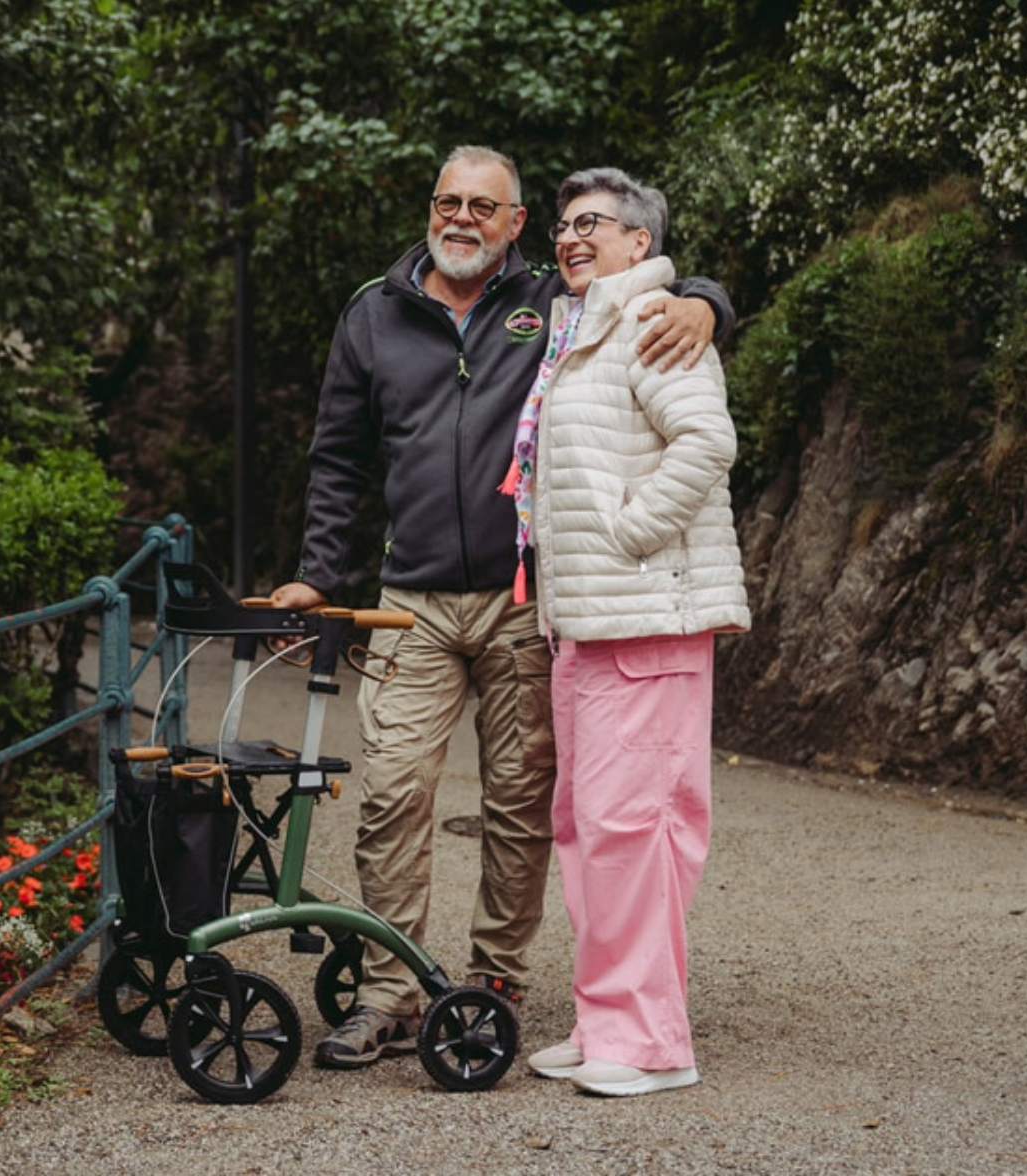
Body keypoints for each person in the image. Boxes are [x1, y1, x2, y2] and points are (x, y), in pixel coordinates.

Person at [268, 145, 733, 1070]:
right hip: (411, 602)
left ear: (516, 223)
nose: (463, 219)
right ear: (429, 209)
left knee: (520, 804)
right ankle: (391, 991)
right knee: (392, 794)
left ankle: (493, 984)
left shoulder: (553, 304)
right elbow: (339, 456)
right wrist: (319, 572)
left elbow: (639, 283)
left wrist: (707, 302)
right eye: (449, 201)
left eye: (485, 206)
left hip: (523, 599)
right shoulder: (372, 313)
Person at [509, 167, 750, 1096]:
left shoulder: (654, 319)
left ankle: (651, 1046)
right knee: (588, 828)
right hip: (588, 623)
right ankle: (605, 1019)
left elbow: (707, 441)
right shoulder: (581, 327)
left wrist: (630, 533)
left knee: (637, 828)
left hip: (646, 615)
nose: (571, 237)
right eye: (564, 225)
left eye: (593, 224)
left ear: (639, 241)